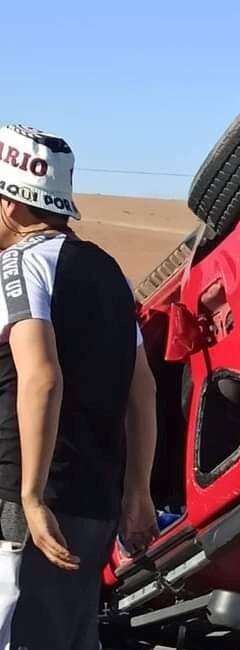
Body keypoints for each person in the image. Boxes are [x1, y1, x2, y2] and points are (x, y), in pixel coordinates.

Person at [0, 124, 160, 650]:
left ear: (11, 205)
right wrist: (138, 492)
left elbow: (42, 377)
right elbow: (142, 389)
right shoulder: (110, 271)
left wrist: (31, 496)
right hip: (96, 500)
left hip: (26, 507)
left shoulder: (20, 265)